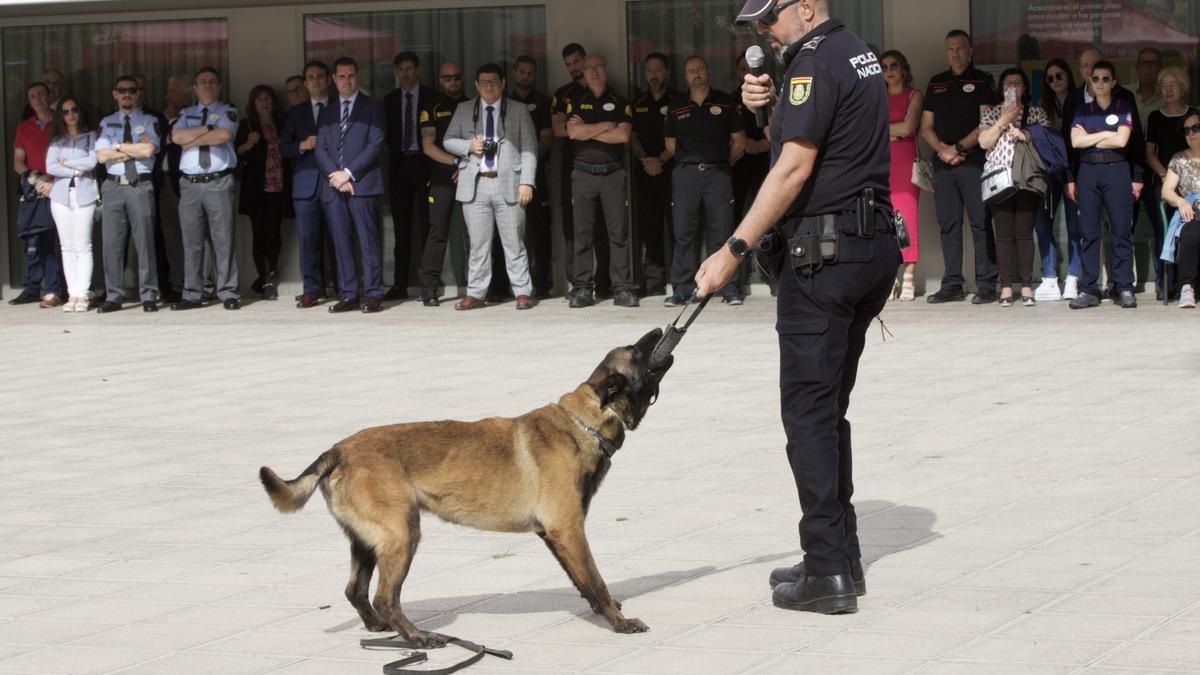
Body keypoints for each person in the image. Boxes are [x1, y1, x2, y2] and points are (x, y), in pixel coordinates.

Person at [698, 0, 899, 615]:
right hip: (870, 250)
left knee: (808, 415)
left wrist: (735, 248)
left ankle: (828, 574)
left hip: (827, 256)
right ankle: (837, 555)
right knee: (828, 409)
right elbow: (814, 145)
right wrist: (768, 111)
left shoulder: (812, 62)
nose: (762, 31)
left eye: (769, 18)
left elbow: (793, 168)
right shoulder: (855, 51)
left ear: (805, 7)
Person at [442, 63, 539, 311]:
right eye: (483, 82)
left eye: (494, 81)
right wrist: (467, 146)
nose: (489, 86)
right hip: (476, 184)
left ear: (503, 83)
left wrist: (527, 182)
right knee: (478, 244)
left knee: (514, 242)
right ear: (475, 85)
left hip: (509, 183)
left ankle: (522, 291)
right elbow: (447, 140)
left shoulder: (517, 110)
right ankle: (475, 293)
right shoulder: (464, 109)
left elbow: (529, 149)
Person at [1062, 47, 1147, 300]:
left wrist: (1091, 137)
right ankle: (1089, 288)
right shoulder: (1081, 109)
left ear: (1114, 82)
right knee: (1088, 231)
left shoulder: (1123, 106)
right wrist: (1105, 135)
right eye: (1095, 78)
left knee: (1121, 230)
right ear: (1090, 80)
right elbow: (1075, 143)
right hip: (1087, 171)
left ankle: (1123, 286)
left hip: (1116, 169)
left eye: (1105, 78)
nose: (1099, 83)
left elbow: (1123, 142)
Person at [920, 29, 997, 304]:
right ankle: (952, 283)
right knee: (948, 225)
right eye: (950, 48)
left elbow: (985, 123)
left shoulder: (983, 81)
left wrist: (959, 148)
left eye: (960, 48)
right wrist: (943, 150)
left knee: (980, 223)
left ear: (970, 50)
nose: (955, 53)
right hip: (943, 163)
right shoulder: (936, 83)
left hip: (973, 160)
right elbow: (925, 126)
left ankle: (987, 283)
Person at [663, 54, 746, 306]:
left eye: (700, 69)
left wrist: (722, 163)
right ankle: (682, 289)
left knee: (723, 232)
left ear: (707, 73)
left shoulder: (726, 103)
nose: (696, 74)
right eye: (691, 71)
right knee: (684, 233)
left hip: (718, 174)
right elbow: (670, 144)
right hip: (686, 175)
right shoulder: (676, 107)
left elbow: (739, 141)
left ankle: (729, 289)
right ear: (686, 77)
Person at [565, 54, 638, 308]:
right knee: (582, 233)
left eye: (598, 67)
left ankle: (622, 288)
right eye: (588, 68)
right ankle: (583, 288)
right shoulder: (575, 100)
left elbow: (623, 136)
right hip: (583, 174)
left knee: (618, 233)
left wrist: (590, 130)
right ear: (583, 73)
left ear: (606, 70)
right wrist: (607, 124)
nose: (594, 72)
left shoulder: (620, 101)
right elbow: (573, 132)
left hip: (612, 173)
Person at [316, 56, 388, 314]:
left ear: (357, 77)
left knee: (368, 241)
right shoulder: (327, 111)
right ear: (333, 79)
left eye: (351, 75)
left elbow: (375, 144)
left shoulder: (373, 107)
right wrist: (336, 176)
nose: (346, 80)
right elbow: (320, 148)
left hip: (362, 184)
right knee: (341, 241)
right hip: (334, 187)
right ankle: (348, 294)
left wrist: (348, 173)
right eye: (341, 76)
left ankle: (372, 294)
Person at [170, 67, 241, 311]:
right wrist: (206, 130)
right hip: (190, 185)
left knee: (223, 240)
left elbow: (224, 135)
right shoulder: (186, 112)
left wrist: (193, 140)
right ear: (195, 88)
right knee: (192, 242)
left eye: (212, 82)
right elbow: (176, 137)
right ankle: (192, 293)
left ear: (219, 86)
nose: (208, 85)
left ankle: (227, 291)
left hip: (218, 182)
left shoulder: (228, 110)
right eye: (203, 82)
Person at [978, 68, 1050, 306]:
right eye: (1008, 84)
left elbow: (1048, 143)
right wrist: (1003, 121)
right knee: (1004, 234)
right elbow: (983, 142)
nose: (1013, 88)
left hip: (1027, 178)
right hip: (999, 178)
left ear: (1025, 88)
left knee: (1024, 233)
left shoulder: (1037, 113)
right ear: (1001, 88)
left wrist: (1026, 135)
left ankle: (1027, 286)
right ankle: (1007, 287)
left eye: (1017, 83)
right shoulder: (991, 114)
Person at [94, 74, 160, 313]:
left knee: (145, 243)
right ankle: (114, 296)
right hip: (112, 186)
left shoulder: (149, 120)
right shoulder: (106, 122)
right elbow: (101, 156)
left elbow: (148, 149)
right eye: (122, 90)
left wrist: (118, 147)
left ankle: (149, 294)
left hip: (139, 185)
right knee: (111, 244)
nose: (127, 94)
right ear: (115, 94)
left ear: (138, 93)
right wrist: (132, 149)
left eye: (131, 90)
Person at [281, 59, 337, 309]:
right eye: (311, 77)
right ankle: (311, 289)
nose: (316, 81)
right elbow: (283, 147)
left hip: (335, 183)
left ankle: (343, 287)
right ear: (305, 83)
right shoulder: (296, 112)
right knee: (308, 241)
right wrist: (302, 145)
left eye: (320, 76)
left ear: (328, 79)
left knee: (340, 239)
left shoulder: (339, 107)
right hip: (305, 185)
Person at [552, 43, 608, 291]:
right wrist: (602, 128)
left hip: (606, 165)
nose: (573, 68)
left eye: (576, 62)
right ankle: (578, 284)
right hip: (572, 166)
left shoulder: (608, 91)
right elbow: (558, 130)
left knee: (605, 226)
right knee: (574, 226)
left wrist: (581, 129)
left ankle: (606, 282)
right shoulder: (562, 94)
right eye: (568, 64)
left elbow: (620, 129)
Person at [382, 51, 436, 301]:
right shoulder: (390, 100)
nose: (405, 73)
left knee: (428, 226)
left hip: (425, 164)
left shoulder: (431, 97)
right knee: (401, 230)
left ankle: (428, 284)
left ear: (418, 70)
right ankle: (400, 284)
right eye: (400, 69)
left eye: (409, 68)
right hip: (399, 165)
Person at [416, 60, 469, 306]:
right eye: (447, 78)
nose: (452, 82)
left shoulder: (475, 104)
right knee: (437, 232)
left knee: (478, 234)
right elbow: (428, 147)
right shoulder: (432, 107)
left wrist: (468, 167)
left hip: (473, 174)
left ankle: (486, 286)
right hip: (442, 177)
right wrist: (458, 163)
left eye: (456, 77)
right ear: (440, 80)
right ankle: (429, 287)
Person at [9, 81, 65, 307]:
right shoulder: (24, 127)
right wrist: (37, 180)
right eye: (32, 96)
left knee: (63, 241)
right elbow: (18, 163)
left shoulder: (61, 121)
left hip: (60, 184)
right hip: (36, 189)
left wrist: (53, 181)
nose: (38, 99)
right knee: (37, 240)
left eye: (41, 94)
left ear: (50, 95)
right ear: (29, 101)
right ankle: (40, 288)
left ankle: (64, 289)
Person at [631, 52, 679, 298]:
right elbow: (633, 136)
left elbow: (681, 137)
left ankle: (681, 280)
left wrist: (660, 159)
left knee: (677, 227)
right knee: (650, 229)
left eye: (658, 70)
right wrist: (644, 160)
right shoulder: (638, 103)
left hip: (672, 173)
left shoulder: (678, 101)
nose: (653, 75)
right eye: (649, 71)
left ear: (667, 72)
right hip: (645, 173)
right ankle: (655, 280)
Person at [1145, 66, 1195, 301]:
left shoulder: (1194, 115)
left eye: (1173, 85)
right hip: (1165, 179)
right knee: (1163, 232)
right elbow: (1149, 152)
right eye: (1163, 86)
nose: (1168, 90)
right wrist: (1165, 175)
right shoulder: (1155, 116)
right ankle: (1166, 282)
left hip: (1192, 184)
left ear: (1183, 87)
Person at [236, 84, 288, 300]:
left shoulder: (282, 124)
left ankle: (267, 274)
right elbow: (235, 153)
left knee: (274, 235)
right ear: (253, 105)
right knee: (259, 235)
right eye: (260, 99)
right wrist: (248, 144)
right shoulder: (246, 125)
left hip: (278, 187)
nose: (264, 102)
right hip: (256, 188)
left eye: (267, 98)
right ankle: (266, 281)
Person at [44, 95, 96, 313]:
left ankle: (83, 293)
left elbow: (93, 161)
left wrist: (66, 163)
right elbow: (51, 167)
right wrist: (76, 169)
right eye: (65, 112)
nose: (70, 115)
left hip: (84, 193)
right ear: (61, 116)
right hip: (61, 196)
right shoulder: (57, 140)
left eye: (74, 110)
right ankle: (72, 293)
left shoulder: (91, 136)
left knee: (83, 245)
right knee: (67, 247)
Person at [1033, 58, 1079, 302]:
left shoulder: (1080, 101)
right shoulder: (1042, 105)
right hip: (1050, 173)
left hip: (1075, 172)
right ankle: (1050, 275)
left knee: (1076, 226)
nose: (1055, 81)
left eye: (1059, 75)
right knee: (1043, 223)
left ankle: (1073, 276)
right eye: (1050, 78)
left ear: (1068, 76)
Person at [510, 55, 555, 299]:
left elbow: (547, 138)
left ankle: (542, 284)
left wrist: (526, 159)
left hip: (537, 175)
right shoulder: (505, 102)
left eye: (531, 72)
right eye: (522, 72)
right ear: (514, 72)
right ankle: (504, 285)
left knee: (540, 231)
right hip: (506, 178)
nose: (526, 76)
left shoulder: (544, 102)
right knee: (510, 232)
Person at [880, 49, 922, 301]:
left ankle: (909, 276)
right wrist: (892, 133)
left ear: (903, 68)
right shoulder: (878, 96)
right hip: (882, 161)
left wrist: (891, 132)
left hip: (905, 162)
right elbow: (869, 130)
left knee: (906, 218)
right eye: (884, 67)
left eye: (893, 66)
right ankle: (889, 277)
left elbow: (909, 126)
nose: (889, 71)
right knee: (884, 219)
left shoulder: (913, 95)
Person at [734, 52, 772, 294]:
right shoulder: (730, 99)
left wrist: (761, 146)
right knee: (738, 221)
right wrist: (746, 145)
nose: (747, 71)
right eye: (742, 68)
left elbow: (781, 129)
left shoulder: (772, 96)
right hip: (739, 164)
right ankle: (739, 277)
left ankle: (771, 277)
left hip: (767, 164)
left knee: (769, 221)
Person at [157, 75, 193, 302]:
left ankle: (198, 283)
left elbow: (181, 141)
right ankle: (178, 284)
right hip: (165, 180)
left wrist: (173, 126)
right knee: (172, 236)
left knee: (193, 235)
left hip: (187, 179)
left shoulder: (193, 114)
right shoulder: (161, 117)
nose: (167, 97)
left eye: (172, 91)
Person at [1160, 110, 1200, 308]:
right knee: (1192, 233)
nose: (1191, 133)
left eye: (1196, 128)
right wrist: (1181, 201)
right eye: (1186, 130)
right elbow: (1166, 191)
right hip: (1192, 213)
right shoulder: (1179, 159)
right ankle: (1186, 287)